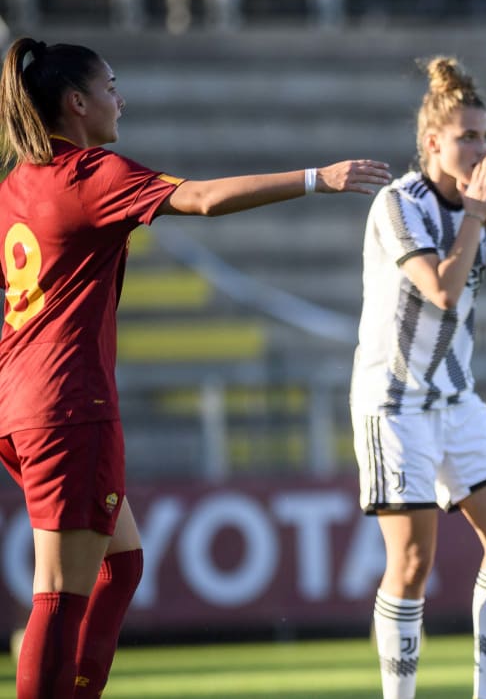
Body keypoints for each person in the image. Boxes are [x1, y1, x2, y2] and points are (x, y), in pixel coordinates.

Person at [0, 36, 391, 699]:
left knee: (120, 568)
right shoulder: (88, 176)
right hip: (69, 409)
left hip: (19, 406)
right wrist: (315, 179)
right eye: (109, 87)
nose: (119, 99)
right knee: (59, 596)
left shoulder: (16, 185)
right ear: (76, 103)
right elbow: (203, 199)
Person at [349, 56, 486, 699]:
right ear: (433, 142)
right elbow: (440, 290)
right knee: (410, 563)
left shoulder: (484, 205)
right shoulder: (396, 203)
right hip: (395, 401)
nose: (481, 149)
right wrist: (473, 219)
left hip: (455, 398)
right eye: (468, 137)